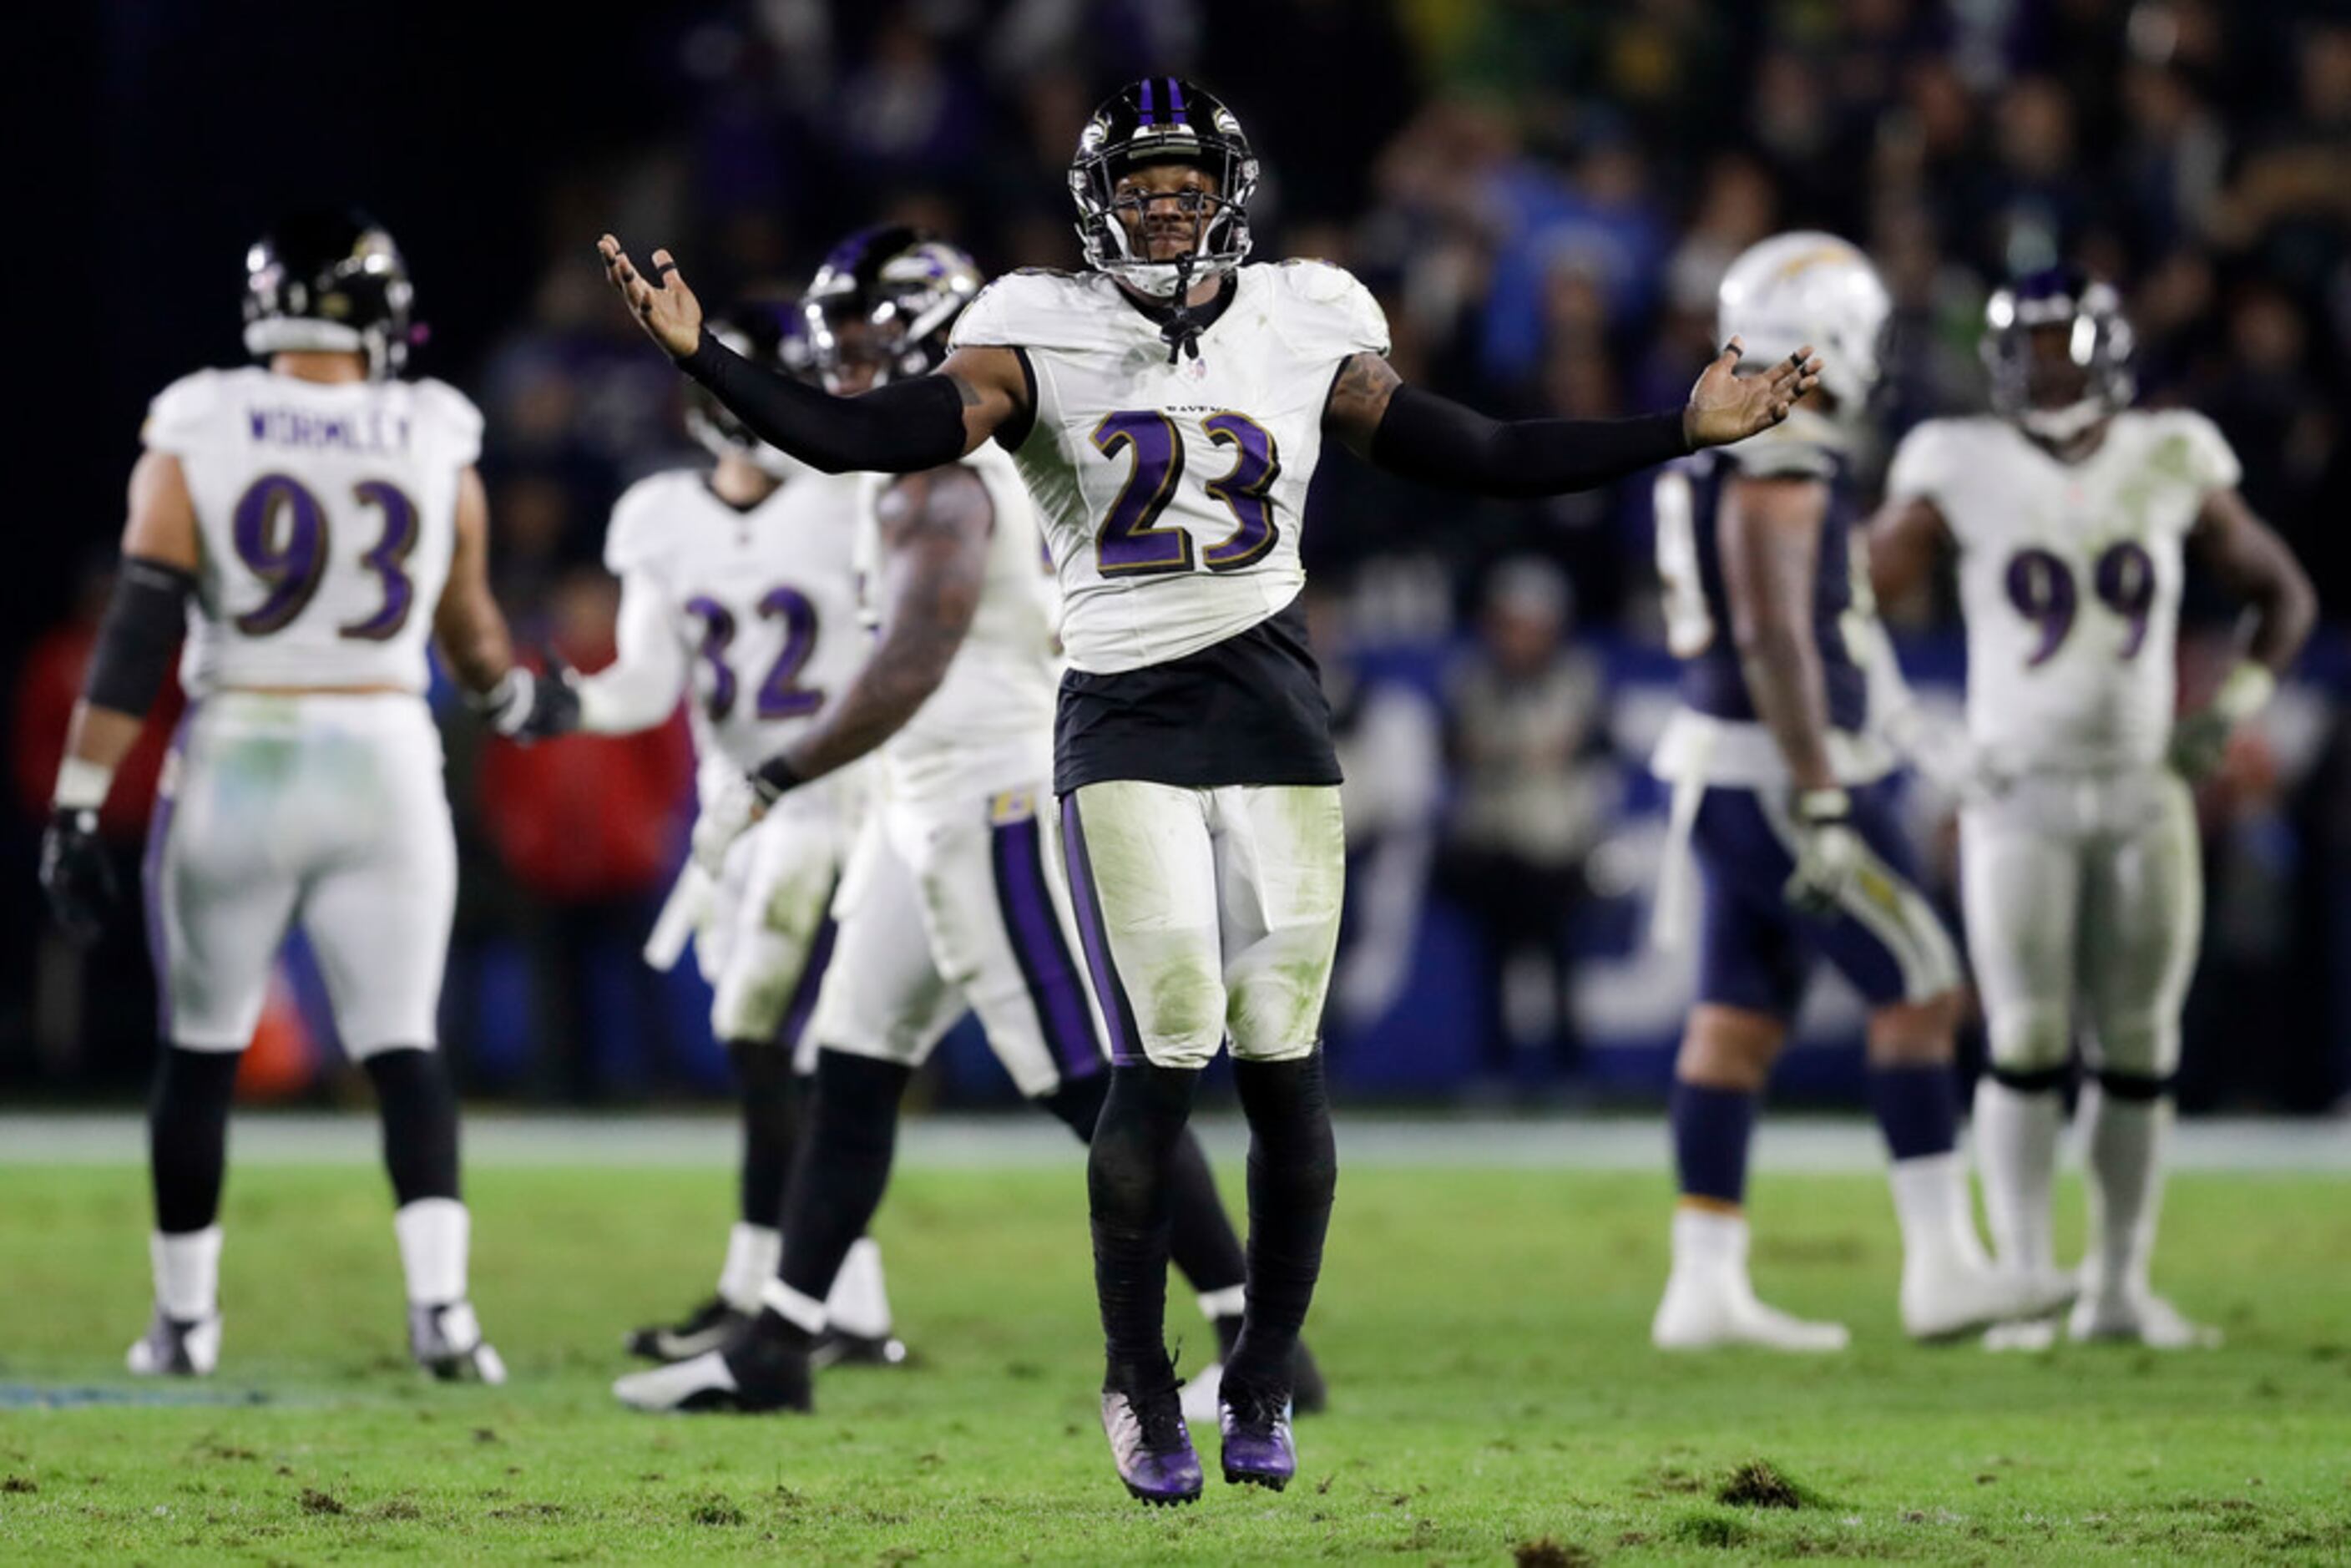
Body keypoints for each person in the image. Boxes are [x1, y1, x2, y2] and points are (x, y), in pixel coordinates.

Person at [598, 78, 1816, 1505]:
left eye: (1183, 184)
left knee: (1286, 1073)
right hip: (1118, 715)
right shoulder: (1036, 328)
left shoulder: (1306, 315)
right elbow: (871, 437)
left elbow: (1475, 452)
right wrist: (709, 363)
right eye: (1138, 185)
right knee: (1159, 1052)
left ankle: (1257, 1373)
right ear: (1095, 202)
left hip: (1273, 706)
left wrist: (1674, 425)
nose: (1161, 205)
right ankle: (1134, 1378)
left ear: (1226, 192)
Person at [604, 226, 1306, 1427]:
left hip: (994, 795)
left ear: (929, 334)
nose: (847, 372)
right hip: (918, 806)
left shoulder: (950, 470)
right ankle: (778, 1343)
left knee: (1088, 1081)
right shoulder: (930, 457)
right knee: (854, 1068)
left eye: (871, 347)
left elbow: (917, 656)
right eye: (840, 350)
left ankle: (1257, 1336)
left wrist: (773, 775)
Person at [38, 210, 558, 1381]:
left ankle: (184, 1321)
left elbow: (135, 630)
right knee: (404, 1046)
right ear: (374, 313)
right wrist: (519, 704)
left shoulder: (200, 420)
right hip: (382, 750)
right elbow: (472, 631)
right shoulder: (432, 428)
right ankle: (444, 1314)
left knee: (202, 1050)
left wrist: (78, 801)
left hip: (243, 752)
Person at [1868, 267, 2314, 1348]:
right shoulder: (1955, 460)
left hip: (2142, 784)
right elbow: (1847, 602)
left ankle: (2118, 1285)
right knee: (2021, 1035)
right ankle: (2025, 1281)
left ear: (2107, 353)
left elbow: (2282, 594)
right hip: (2017, 789)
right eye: (2034, 350)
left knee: (2139, 1040)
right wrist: (1915, 732)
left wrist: (2237, 704)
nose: (2051, 370)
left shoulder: (2171, 451)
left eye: (2068, 348)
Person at [1645, 231, 2073, 1352]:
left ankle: (1704, 1282)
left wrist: (1899, 727)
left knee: (1735, 1025)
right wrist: (1825, 789)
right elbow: (1779, 631)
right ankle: (1942, 1266)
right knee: (1925, 986)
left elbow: (1825, 622)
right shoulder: (1774, 451)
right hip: (1786, 776)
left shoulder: (1731, 433)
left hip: (1733, 770)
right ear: (1825, 338)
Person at [511, 303, 899, 1363]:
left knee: (762, 1035)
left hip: (842, 792)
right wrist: (571, 705)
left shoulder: (851, 495)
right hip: (736, 805)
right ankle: (830, 1300)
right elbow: (644, 682)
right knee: (780, 1052)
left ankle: (779, 1295)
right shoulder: (657, 515)